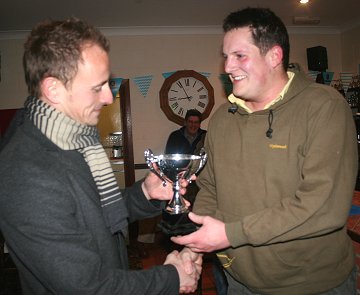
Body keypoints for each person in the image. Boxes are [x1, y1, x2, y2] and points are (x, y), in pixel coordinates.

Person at [0, 17, 202, 294]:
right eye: (98, 87)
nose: (109, 97)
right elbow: (87, 287)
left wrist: (145, 192)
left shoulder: (75, 141)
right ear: (53, 89)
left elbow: (92, 214)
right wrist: (171, 278)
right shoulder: (26, 174)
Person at [172, 7, 358, 295]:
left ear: (274, 56)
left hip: (311, 285)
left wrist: (228, 234)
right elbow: (209, 188)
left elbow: (325, 206)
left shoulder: (324, 106)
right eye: (226, 57)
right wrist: (196, 243)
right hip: (237, 281)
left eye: (239, 56)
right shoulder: (222, 118)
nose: (228, 67)